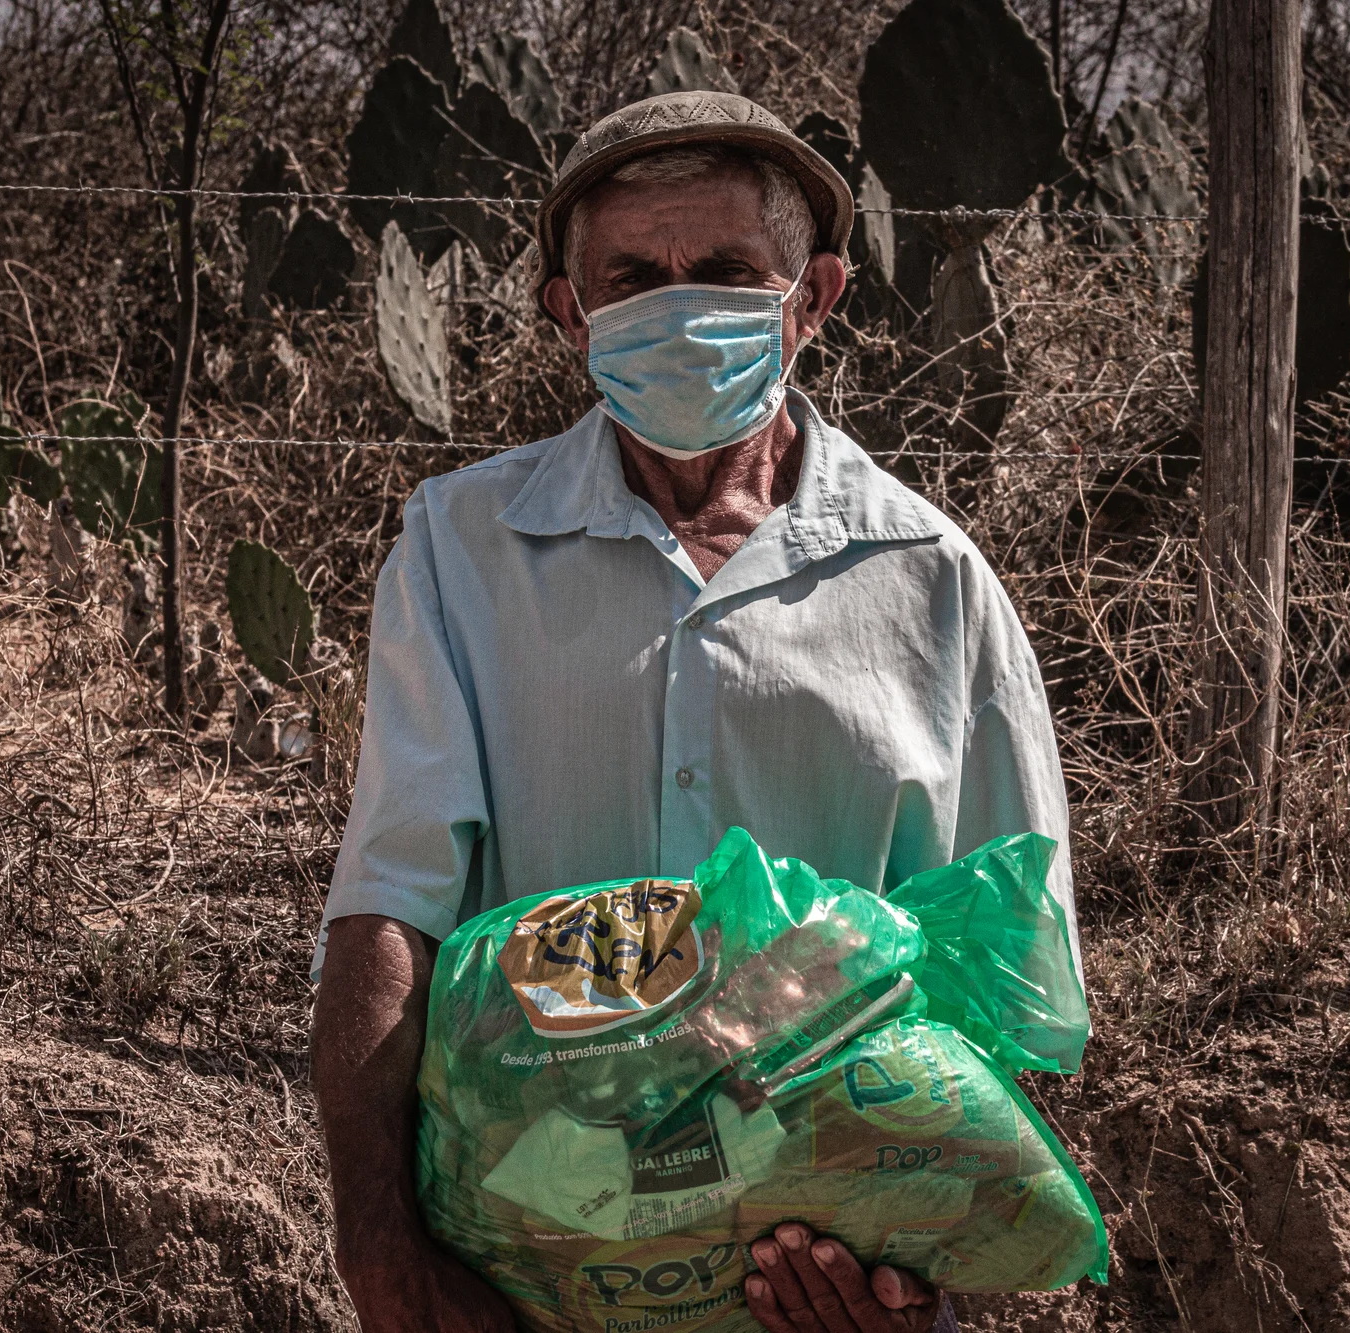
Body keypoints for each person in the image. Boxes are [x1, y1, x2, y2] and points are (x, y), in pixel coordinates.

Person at [310, 90, 1077, 1333]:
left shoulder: (931, 583)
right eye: (630, 277)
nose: (674, 304)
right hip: (525, 1284)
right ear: (570, 313)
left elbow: (1002, 989)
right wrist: (386, 1268)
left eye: (723, 270)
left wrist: (909, 1283)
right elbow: (389, 912)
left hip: (816, 1288)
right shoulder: (462, 550)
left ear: (813, 297)